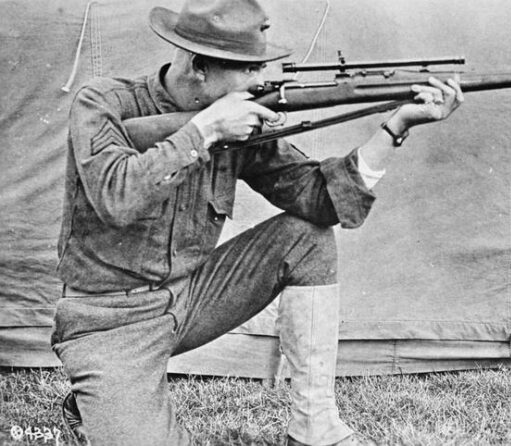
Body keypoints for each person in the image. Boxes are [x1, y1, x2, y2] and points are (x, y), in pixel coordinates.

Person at [51, 0, 463, 445]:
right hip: (109, 319)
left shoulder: (240, 122)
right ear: (198, 67)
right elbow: (117, 197)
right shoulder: (103, 103)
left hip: (190, 299)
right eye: (247, 69)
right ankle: (101, 395)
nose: (262, 80)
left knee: (306, 237)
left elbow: (321, 201)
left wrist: (395, 127)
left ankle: (314, 426)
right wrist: (204, 131)